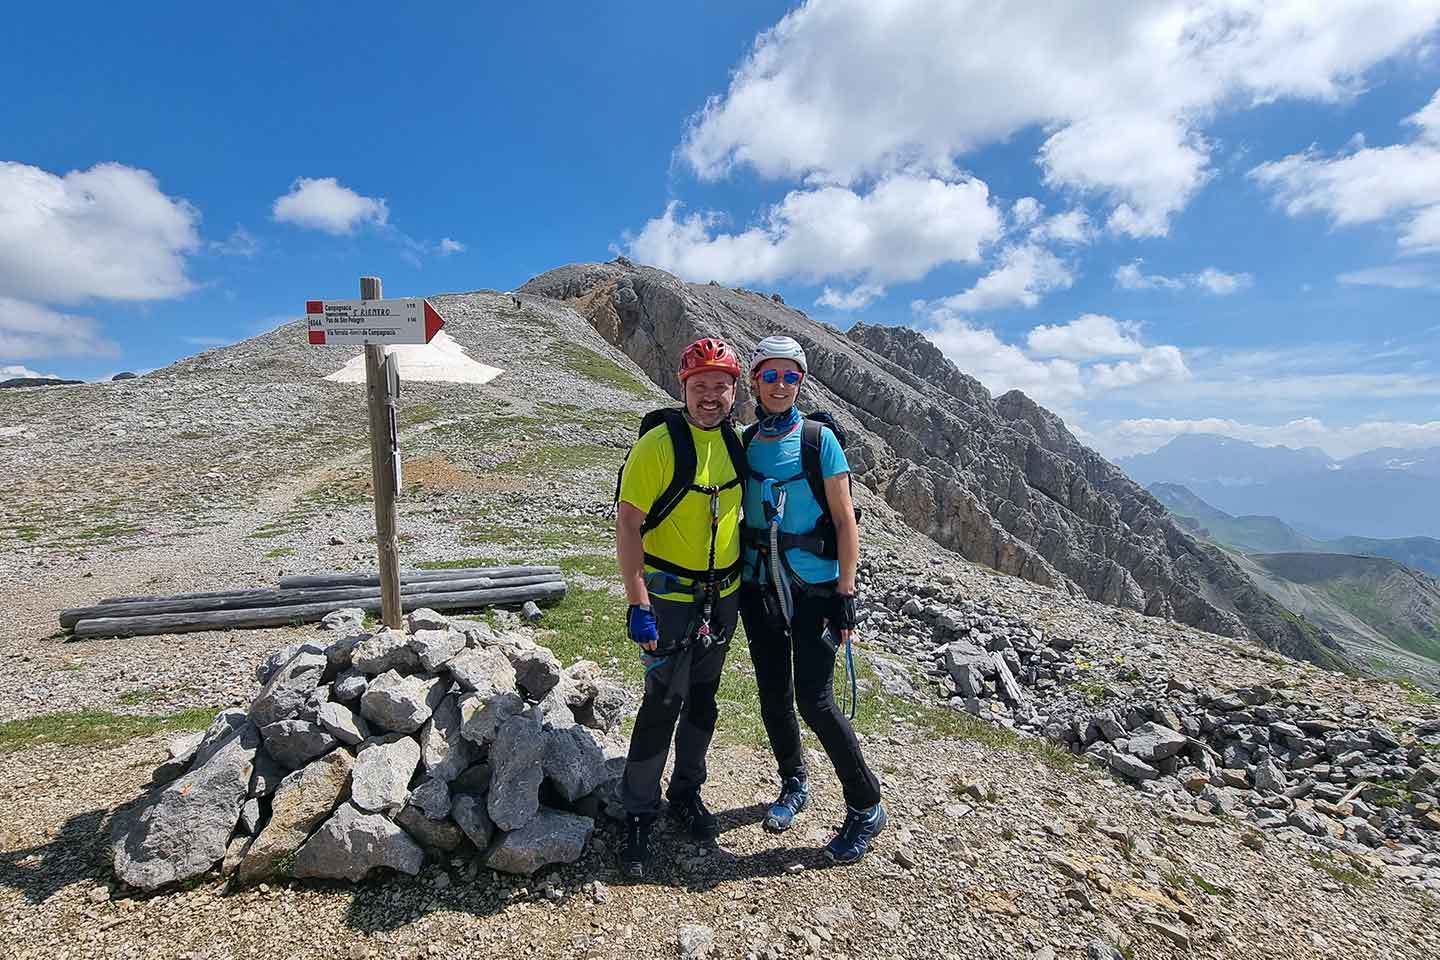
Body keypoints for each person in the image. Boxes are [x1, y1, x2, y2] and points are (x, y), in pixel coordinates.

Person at [738, 335, 885, 864]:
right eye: (770, 376)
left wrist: (847, 592)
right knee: (773, 694)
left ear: (802, 382)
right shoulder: (744, 440)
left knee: (814, 701)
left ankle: (866, 806)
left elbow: (846, 520)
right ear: (755, 381)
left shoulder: (819, 439)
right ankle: (792, 782)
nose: (780, 385)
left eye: (790, 376)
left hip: (817, 589)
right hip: (759, 588)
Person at [614, 336, 748, 880]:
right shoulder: (659, 444)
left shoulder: (737, 443)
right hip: (668, 598)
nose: (710, 396)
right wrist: (637, 602)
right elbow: (627, 523)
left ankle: (687, 794)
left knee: (703, 698)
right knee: (662, 701)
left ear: (734, 391)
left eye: (721, 386)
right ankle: (639, 811)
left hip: (723, 597)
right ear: (683, 387)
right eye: (701, 386)